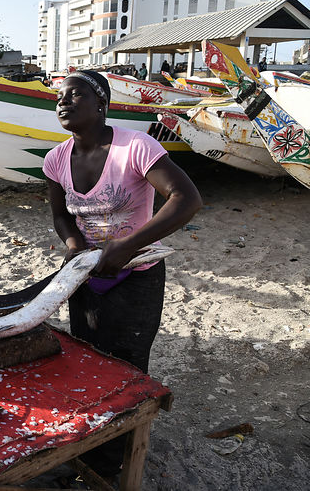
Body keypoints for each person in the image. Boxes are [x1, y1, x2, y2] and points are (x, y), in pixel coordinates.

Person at [44, 69, 202, 478]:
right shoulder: (56, 159)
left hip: (137, 272)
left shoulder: (135, 147)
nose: (63, 101)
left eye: (75, 94)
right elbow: (61, 216)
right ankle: (94, 441)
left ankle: (115, 456)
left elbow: (186, 199)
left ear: (101, 104)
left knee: (128, 364)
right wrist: (75, 247)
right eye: (60, 96)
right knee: (88, 358)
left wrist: (126, 247)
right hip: (86, 273)